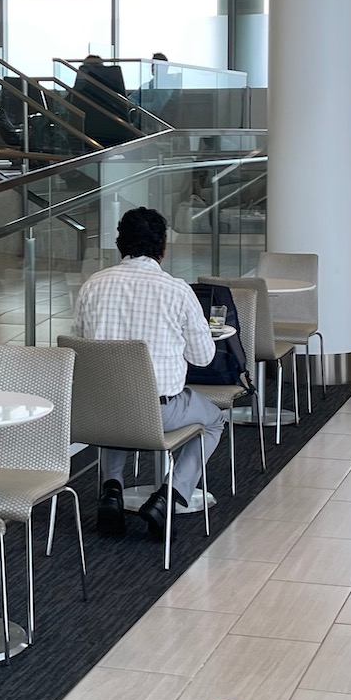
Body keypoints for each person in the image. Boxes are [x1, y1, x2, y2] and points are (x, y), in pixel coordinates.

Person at [73, 207, 225, 540]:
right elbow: (202, 358)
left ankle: (111, 490)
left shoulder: (92, 286)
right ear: (163, 247)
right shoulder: (177, 291)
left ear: (119, 243)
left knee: (118, 397)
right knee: (214, 420)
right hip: (160, 412)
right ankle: (171, 495)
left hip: (99, 414)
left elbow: (80, 347)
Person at [72, 52, 135, 145]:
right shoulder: (112, 85)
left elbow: (69, 103)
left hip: (88, 131)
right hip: (117, 129)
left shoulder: (83, 90)